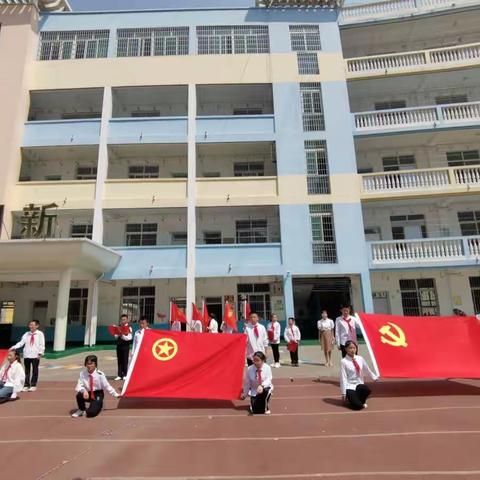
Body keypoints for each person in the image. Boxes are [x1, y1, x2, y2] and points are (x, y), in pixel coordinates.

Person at [340, 340, 378, 411]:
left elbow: (367, 369)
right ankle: (353, 400)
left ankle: (357, 400)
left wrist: (374, 377)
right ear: (346, 349)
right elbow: (343, 377)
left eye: (354, 348)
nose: (352, 350)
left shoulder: (360, 358)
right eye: (350, 348)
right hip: (350, 386)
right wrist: (343, 393)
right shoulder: (343, 361)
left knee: (366, 390)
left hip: (359, 384)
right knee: (358, 407)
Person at [10, 319, 45, 392]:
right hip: (27, 354)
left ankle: (33, 385)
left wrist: (40, 353)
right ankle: (26, 385)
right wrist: (14, 347)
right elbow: (21, 342)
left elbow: (42, 344)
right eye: (30, 325)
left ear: (37, 326)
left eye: (33, 325)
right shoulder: (26, 334)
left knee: (35, 370)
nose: (31, 326)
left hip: (35, 355)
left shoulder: (40, 334)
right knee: (27, 370)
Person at [115, 314, 132, 381]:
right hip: (119, 345)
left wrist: (122, 335)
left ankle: (125, 374)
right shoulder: (119, 327)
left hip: (125, 346)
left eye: (124, 319)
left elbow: (129, 338)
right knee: (119, 360)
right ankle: (119, 375)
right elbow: (116, 337)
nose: (123, 321)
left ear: (127, 320)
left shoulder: (129, 327)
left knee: (125, 360)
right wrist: (117, 334)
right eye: (122, 319)